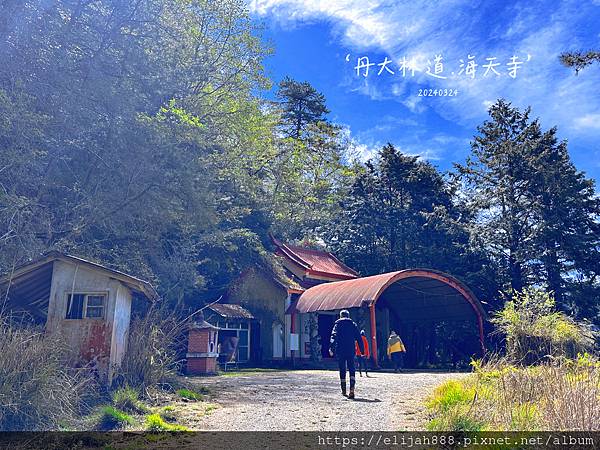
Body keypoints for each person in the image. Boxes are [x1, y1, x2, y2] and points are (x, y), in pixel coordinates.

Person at [329, 310, 364, 399]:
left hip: (340, 350)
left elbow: (333, 336)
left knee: (342, 369)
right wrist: (362, 350)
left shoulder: (337, 324)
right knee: (352, 368)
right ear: (348, 316)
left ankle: (344, 390)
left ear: (340, 316)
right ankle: (352, 389)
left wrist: (331, 348)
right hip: (351, 349)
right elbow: (359, 338)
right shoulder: (353, 324)